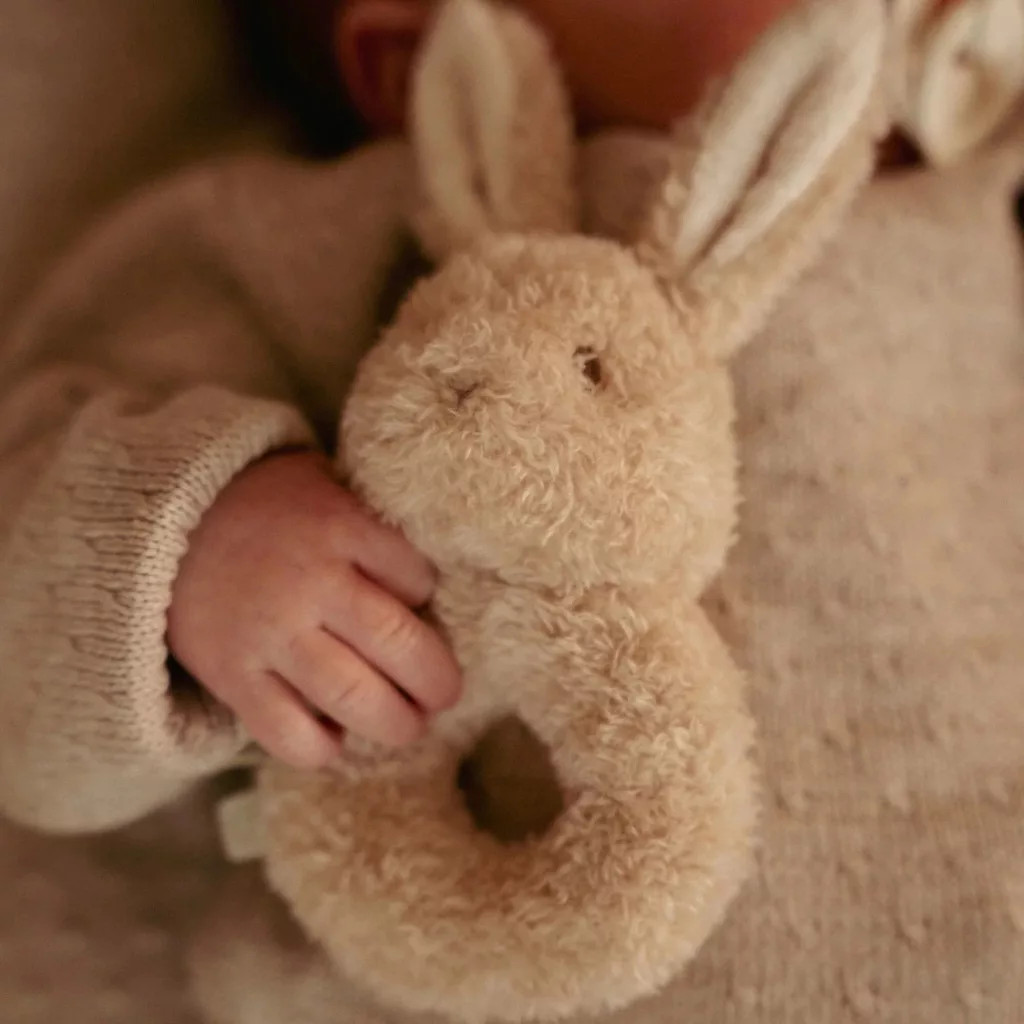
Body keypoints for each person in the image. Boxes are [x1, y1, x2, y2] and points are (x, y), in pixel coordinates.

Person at [0, 0, 804, 832]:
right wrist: (195, 553)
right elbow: (23, 594)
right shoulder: (313, 240)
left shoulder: (881, 191)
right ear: (418, 65)